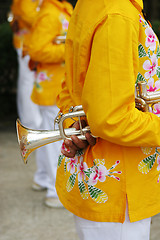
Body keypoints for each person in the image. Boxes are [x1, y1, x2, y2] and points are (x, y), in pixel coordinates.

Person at [55, 0, 160, 239]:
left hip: (103, 175)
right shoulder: (117, 14)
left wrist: (76, 124)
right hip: (120, 185)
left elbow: (72, 83)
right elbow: (113, 119)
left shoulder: (92, 4)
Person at [25, 0, 73, 207]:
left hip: (54, 86)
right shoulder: (50, 14)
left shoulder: (58, 10)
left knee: (49, 137)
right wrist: (71, 49)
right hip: (53, 88)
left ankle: (44, 178)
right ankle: (55, 191)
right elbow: (37, 50)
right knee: (55, 139)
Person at [10, 0, 42, 129]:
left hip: (32, 45)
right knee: (28, 84)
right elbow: (33, 19)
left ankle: (34, 122)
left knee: (29, 83)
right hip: (27, 46)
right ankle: (31, 123)